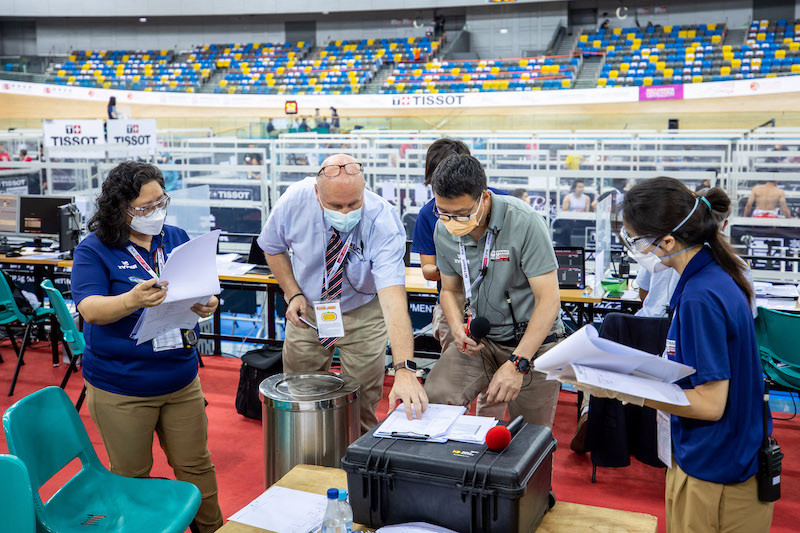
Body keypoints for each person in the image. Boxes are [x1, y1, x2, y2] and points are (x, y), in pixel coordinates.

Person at [576, 177, 773, 532]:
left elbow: (711, 404)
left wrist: (629, 391)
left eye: (636, 240)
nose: (637, 249)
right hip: (720, 458)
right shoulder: (714, 274)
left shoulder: (701, 297)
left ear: (667, 240)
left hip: (714, 469)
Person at [71, 161, 223, 533]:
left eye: (161, 202)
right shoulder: (95, 250)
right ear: (120, 208)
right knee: (132, 476)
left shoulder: (175, 236)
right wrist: (132, 300)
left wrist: (208, 303)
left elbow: (201, 288)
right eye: (144, 208)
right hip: (122, 385)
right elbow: (89, 309)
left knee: (196, 466)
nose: (156, 213)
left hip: (180, 378)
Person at [258, 153, 428, 431]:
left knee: (361, 404)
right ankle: (308, 463)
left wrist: (405, 369)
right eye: (336, 205)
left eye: (354, 203)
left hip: (363, 312)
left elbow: (394, 303)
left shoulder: (383, 219)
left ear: (364, 189)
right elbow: (272, 246)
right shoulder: (294, 201)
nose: (346, 212)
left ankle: (356, 467)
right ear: (316, 192)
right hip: (309, 311)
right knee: (301, 400)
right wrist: (292, 293)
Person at [425, 154, 565, 427]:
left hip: (534, 344)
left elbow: (549, 300)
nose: (453, 221)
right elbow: (450, 290)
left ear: (484, 198)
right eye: (444, 212)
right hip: (482, 343)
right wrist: (456, 328)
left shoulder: (525, 221)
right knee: (434, 399)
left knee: (529, 435)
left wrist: (518, 363)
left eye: (463, 213)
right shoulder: (443, 230)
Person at [411, 139, 507, 419]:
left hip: (496, 303)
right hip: (454, 302)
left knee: (496, 385)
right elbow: (428, 267)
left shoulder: (499, 202)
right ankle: (455, 430)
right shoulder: (429, 213)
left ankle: (489, 429)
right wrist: (454, 266)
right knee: (454, 380)